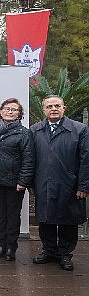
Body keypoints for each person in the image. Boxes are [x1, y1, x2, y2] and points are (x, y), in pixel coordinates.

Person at [31, 95, 88, 271]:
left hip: (69, 185)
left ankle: (65, 254)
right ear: (44, 110)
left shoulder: (79, 129)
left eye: (57, 105)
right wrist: (31, 184)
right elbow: (30, 158)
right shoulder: (35, 130)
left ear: (64, 108)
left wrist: (83, 186)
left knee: (68, 221)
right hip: (43, 183)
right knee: (45, 219)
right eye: (49, 106)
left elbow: (86, 159)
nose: (53, 109)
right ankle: (49, 251)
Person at [0, 98, 34, 261]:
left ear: (19, 114)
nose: (10, 111)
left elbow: (28, 159)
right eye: (7, 109)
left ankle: (11, 248)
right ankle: (0, 245)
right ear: (0, 111)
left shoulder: (24, 133)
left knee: (13, 216)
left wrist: (23, 181)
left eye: (14, 109)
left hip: (15, 183)